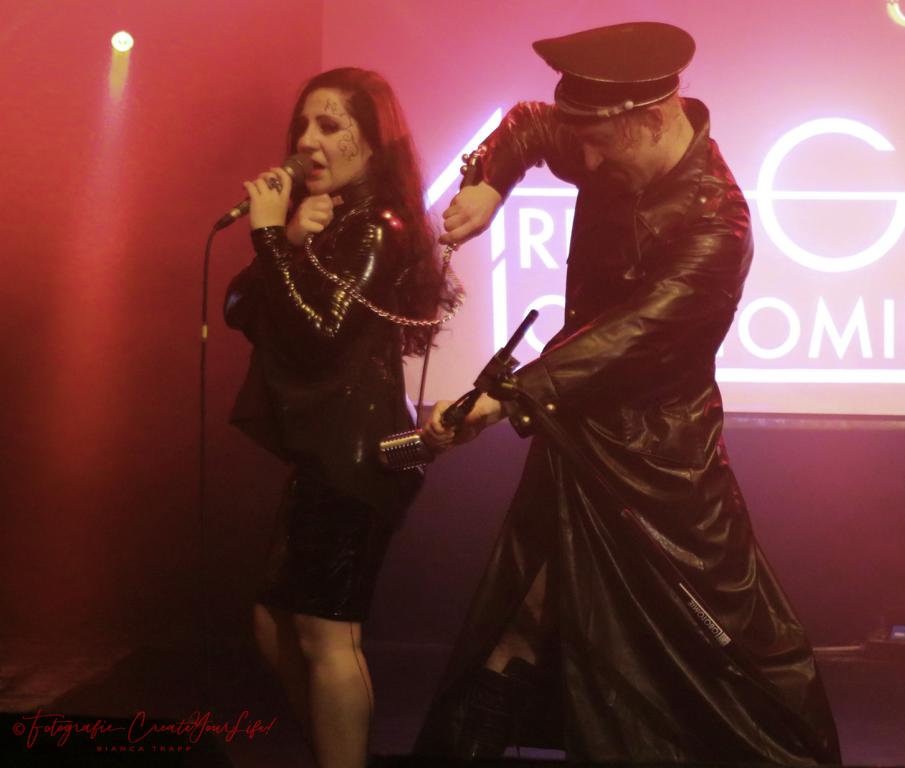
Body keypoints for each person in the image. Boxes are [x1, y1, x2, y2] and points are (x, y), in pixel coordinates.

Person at [413, 22, 841, 765]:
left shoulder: (717, 224)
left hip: (662, 463)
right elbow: (530, 123)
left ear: (649, 118)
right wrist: (489, 180)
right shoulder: (608, 145)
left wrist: (508, 397)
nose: (584, 163)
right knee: (526, 611)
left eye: (598, 144)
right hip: (574, 432)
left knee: (728, 640)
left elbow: (630, 334)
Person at [223, 67, 458, 768]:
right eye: (302, 125)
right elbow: (238, 310)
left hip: (359, 456)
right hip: (325, 451)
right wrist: (287, 240)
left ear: (373, 142)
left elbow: (320, 331)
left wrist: (273, 239)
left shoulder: (378, 226)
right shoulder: (325, 220)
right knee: (274, 624)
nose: (307, 141)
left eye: (329, 126)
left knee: (328, 635)